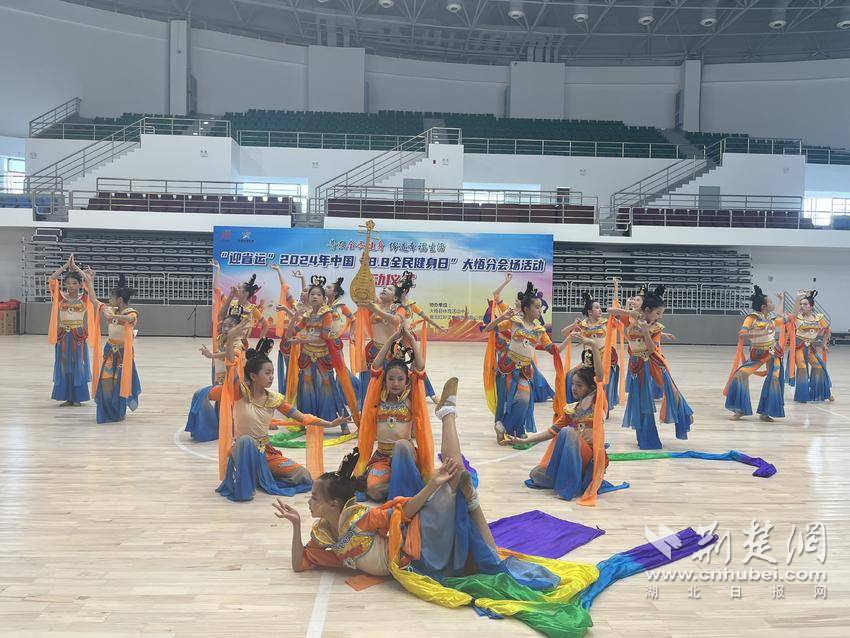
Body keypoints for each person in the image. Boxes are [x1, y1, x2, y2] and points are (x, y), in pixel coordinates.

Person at [213, 337, 350, 502]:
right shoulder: (240, 393)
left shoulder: (275, 399)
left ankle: (262, 476)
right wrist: (231, 337)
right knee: (246, 441)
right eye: (267, 373)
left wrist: (330, 423)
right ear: (253, 376)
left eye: (272, 373)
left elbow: (302, 417)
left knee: (303, 475)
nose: (271, 377)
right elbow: (231, 366)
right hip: (242, 450)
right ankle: (248, 485)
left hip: (264, 452)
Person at [506, 338, 611, 502]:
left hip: (589, 456)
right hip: (573, 456)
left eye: (579, 385)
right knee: (536, 474)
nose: (574, 388)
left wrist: (592, 345)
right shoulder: (571, 409)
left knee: (568, 431)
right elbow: (551, 432)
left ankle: (569, 486)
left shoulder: (597, 402)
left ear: (591, 387)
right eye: (573, 384)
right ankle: (568, 476)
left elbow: (600, 376)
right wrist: (524, 441)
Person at [355, 323, 434, 502]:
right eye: (391, 379)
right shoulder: (377, 397)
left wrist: (411, 339)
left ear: (407, 381)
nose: (395, 383)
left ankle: (403, 484)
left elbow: (420, 369)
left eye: (400, 379)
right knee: (373, 491)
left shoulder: (411, 397)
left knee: (401, 445)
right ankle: (404, 487)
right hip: (382, 456)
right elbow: (376, 366)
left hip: (405, 454)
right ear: (385, 380)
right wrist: (392, 338)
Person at [610, 285, 693, 449]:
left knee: (670, 390)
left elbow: (652, 348)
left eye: (661, 314)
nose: (660, 317)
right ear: (647, 310)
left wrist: (645, 330)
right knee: (641, 402)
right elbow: (611, 310)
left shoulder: (656, 327)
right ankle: (645, 438)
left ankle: (684, 414)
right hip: (636, 364)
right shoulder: (631, 320)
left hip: (652, 362)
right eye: (658, 313)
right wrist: (632, 312)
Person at [484, 281, 564, 443]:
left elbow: (553, 350)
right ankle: (507, 429)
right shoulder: (514, 321)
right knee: (507, 401)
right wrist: (502, 317)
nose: (540, 310)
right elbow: (489, 329)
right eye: (537, 307)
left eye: (540, 307)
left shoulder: (539, 330)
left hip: (525, 370)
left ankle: (504, 426)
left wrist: (570, 339)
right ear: (526, 309)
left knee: (524, 400)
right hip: (508, 366)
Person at [282, 276, 359, 434]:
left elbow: (324, 336)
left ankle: (343, 423)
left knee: (328, 387)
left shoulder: (327, 313)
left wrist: (301, 340)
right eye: (312, 294)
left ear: (324, 298)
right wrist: (294, 318)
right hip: (307, 355)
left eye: (318, 294)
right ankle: (306, 421)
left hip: (323, 355)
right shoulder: (307, 314)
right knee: (306, 387)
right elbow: (291, 334)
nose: (314, 297)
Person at [724, 286, 787, 422]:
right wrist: (760, 333)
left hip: (772, 352)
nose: (772, 304)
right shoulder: (751, 318)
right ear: (764, 307)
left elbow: (783, 317)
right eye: (771, 302)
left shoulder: (770, 319)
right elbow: (742, 334)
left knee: (774, 379)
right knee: (740, 375)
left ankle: (766, 412)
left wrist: (782, 300)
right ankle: (740, 409)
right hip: (757, 353)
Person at [86, 272, 142, 424]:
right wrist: (90, 281)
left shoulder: (131, 312)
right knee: (106, 381)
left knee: (120, 383)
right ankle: (107, 411)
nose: (109, 300)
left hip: (123, 354)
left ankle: (118, 412)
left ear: (120, 300)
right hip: (110, 351)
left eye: (111, 298)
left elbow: (131, 318)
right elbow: (93, 300)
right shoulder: (110, 310)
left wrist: (114, 317)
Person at [47, 254, 96, 406]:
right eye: (68, 283)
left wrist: (76, 268)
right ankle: (67, 397)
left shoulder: (84, 298)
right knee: (63, 364)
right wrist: (64, 267)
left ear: (80, 285)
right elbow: (52, 279)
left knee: (77, 364)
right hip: (63, 335)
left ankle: (77, 397)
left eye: (74, 283)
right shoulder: (60, 297)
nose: (71, 286)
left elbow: (88, 281)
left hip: (77, 335)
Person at [562, 291, 619, 409]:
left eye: (600, 307)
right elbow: (564, 332)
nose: (600, 310)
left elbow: (618, 319)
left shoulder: (605, 322)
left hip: (603, 358)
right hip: (588, 359)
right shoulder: (583, 324)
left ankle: (602, 406)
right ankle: (575, 403)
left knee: (602, 380)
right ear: (589, 312)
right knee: (570, 374)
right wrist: (573, 325)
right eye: (597, 308)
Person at [787, 290, 833, 403]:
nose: (802, 306)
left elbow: (828, 329)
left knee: (819, 368)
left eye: (805, 304)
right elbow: (793, 314)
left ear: (811, 307)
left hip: (810, 348)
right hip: (798, 347)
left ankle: (820, 393)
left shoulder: (818, 318)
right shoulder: (797, 317)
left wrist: (824, 343)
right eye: (801, 304)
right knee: (802, 368)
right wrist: (797, 298)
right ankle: (802, 396)